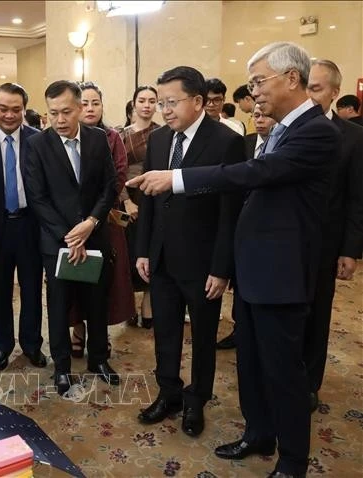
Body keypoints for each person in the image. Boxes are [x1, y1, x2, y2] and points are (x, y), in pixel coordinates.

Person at [128, 42, 341, 478]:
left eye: (260, 80)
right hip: (254, 271)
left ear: (292, 79)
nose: (254, 91)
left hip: (281, 274)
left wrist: (177, 179)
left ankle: (293, 461)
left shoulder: (315, 131)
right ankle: (259, 433)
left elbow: (251, 176)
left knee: (284, 371)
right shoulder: (279, 129)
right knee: (252, 364)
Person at [133, 66, 245, 438]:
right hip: (162, 257)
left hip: (202, 264)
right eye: (160, 102)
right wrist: (144, 250)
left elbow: (230, 212)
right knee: (164, 332)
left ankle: (196, 400)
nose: (164, 110)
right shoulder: (161, 139)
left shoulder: (225, 141)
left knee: (202, 336)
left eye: (171, 102)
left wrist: (221, 267)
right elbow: (150, 199)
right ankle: (169, 393)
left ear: (197, 101)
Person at [24, 80, 119, 395]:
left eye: (66, 112)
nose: (60, 120)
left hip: (94, 236)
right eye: (53, 113)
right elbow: (37, 199)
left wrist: (91, 223)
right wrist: (70, 237)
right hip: (58, 243)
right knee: (59, 305)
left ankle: (99, 359)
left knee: (96, 303)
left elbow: (109, 186)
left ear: (81, 108)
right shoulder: (37, 145)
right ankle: (62, 367)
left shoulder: (98, 139)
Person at [0, 83, 46, 371]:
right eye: (3, 109)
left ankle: (31, 345)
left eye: (16, 109)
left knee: (32, 290)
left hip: (30, 225)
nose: (9, 115)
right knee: (0, 290)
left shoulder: (39, 140)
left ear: (24, 110)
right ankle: (1, 347)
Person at [305, 59, 363, 411]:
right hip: (283, 244)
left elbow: (357, 198)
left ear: (334, 92)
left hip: (325, 245)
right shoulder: (281, 129)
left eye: (317, 89)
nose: (310, 97)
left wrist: (351, 250)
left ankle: (309, 384)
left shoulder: (353, 137)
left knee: (316, 315)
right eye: (306, 88)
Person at [69, 81, 135, 358]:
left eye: (95, 102)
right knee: (75, 275)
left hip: (105, 220)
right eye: (84, 103)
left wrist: (96, 212)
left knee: (103, 280)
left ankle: (99, 333)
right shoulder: (61, 138)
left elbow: (118, 177)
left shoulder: (112, 137)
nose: (90, 108)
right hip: (72, 221)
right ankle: (78, 329)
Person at [216, 103, 276, 350]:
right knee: (240, 287)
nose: (260, 120)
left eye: (266, 116)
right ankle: (240, 330)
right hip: (241, 225)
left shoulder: (283, 146)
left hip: (271, 230)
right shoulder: (244, 143)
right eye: (256, 116)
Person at [120, 86, 161, 328]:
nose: (147, 105)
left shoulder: (163, 133)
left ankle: (149, 307)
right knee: (128, 253)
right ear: (133, 104)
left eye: (152, 101)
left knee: (152, 250)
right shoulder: (119, 134)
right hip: (126, 198)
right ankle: (128, 308)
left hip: (154, 196)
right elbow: (116, 171)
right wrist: (126, 200)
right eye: (142, 100)